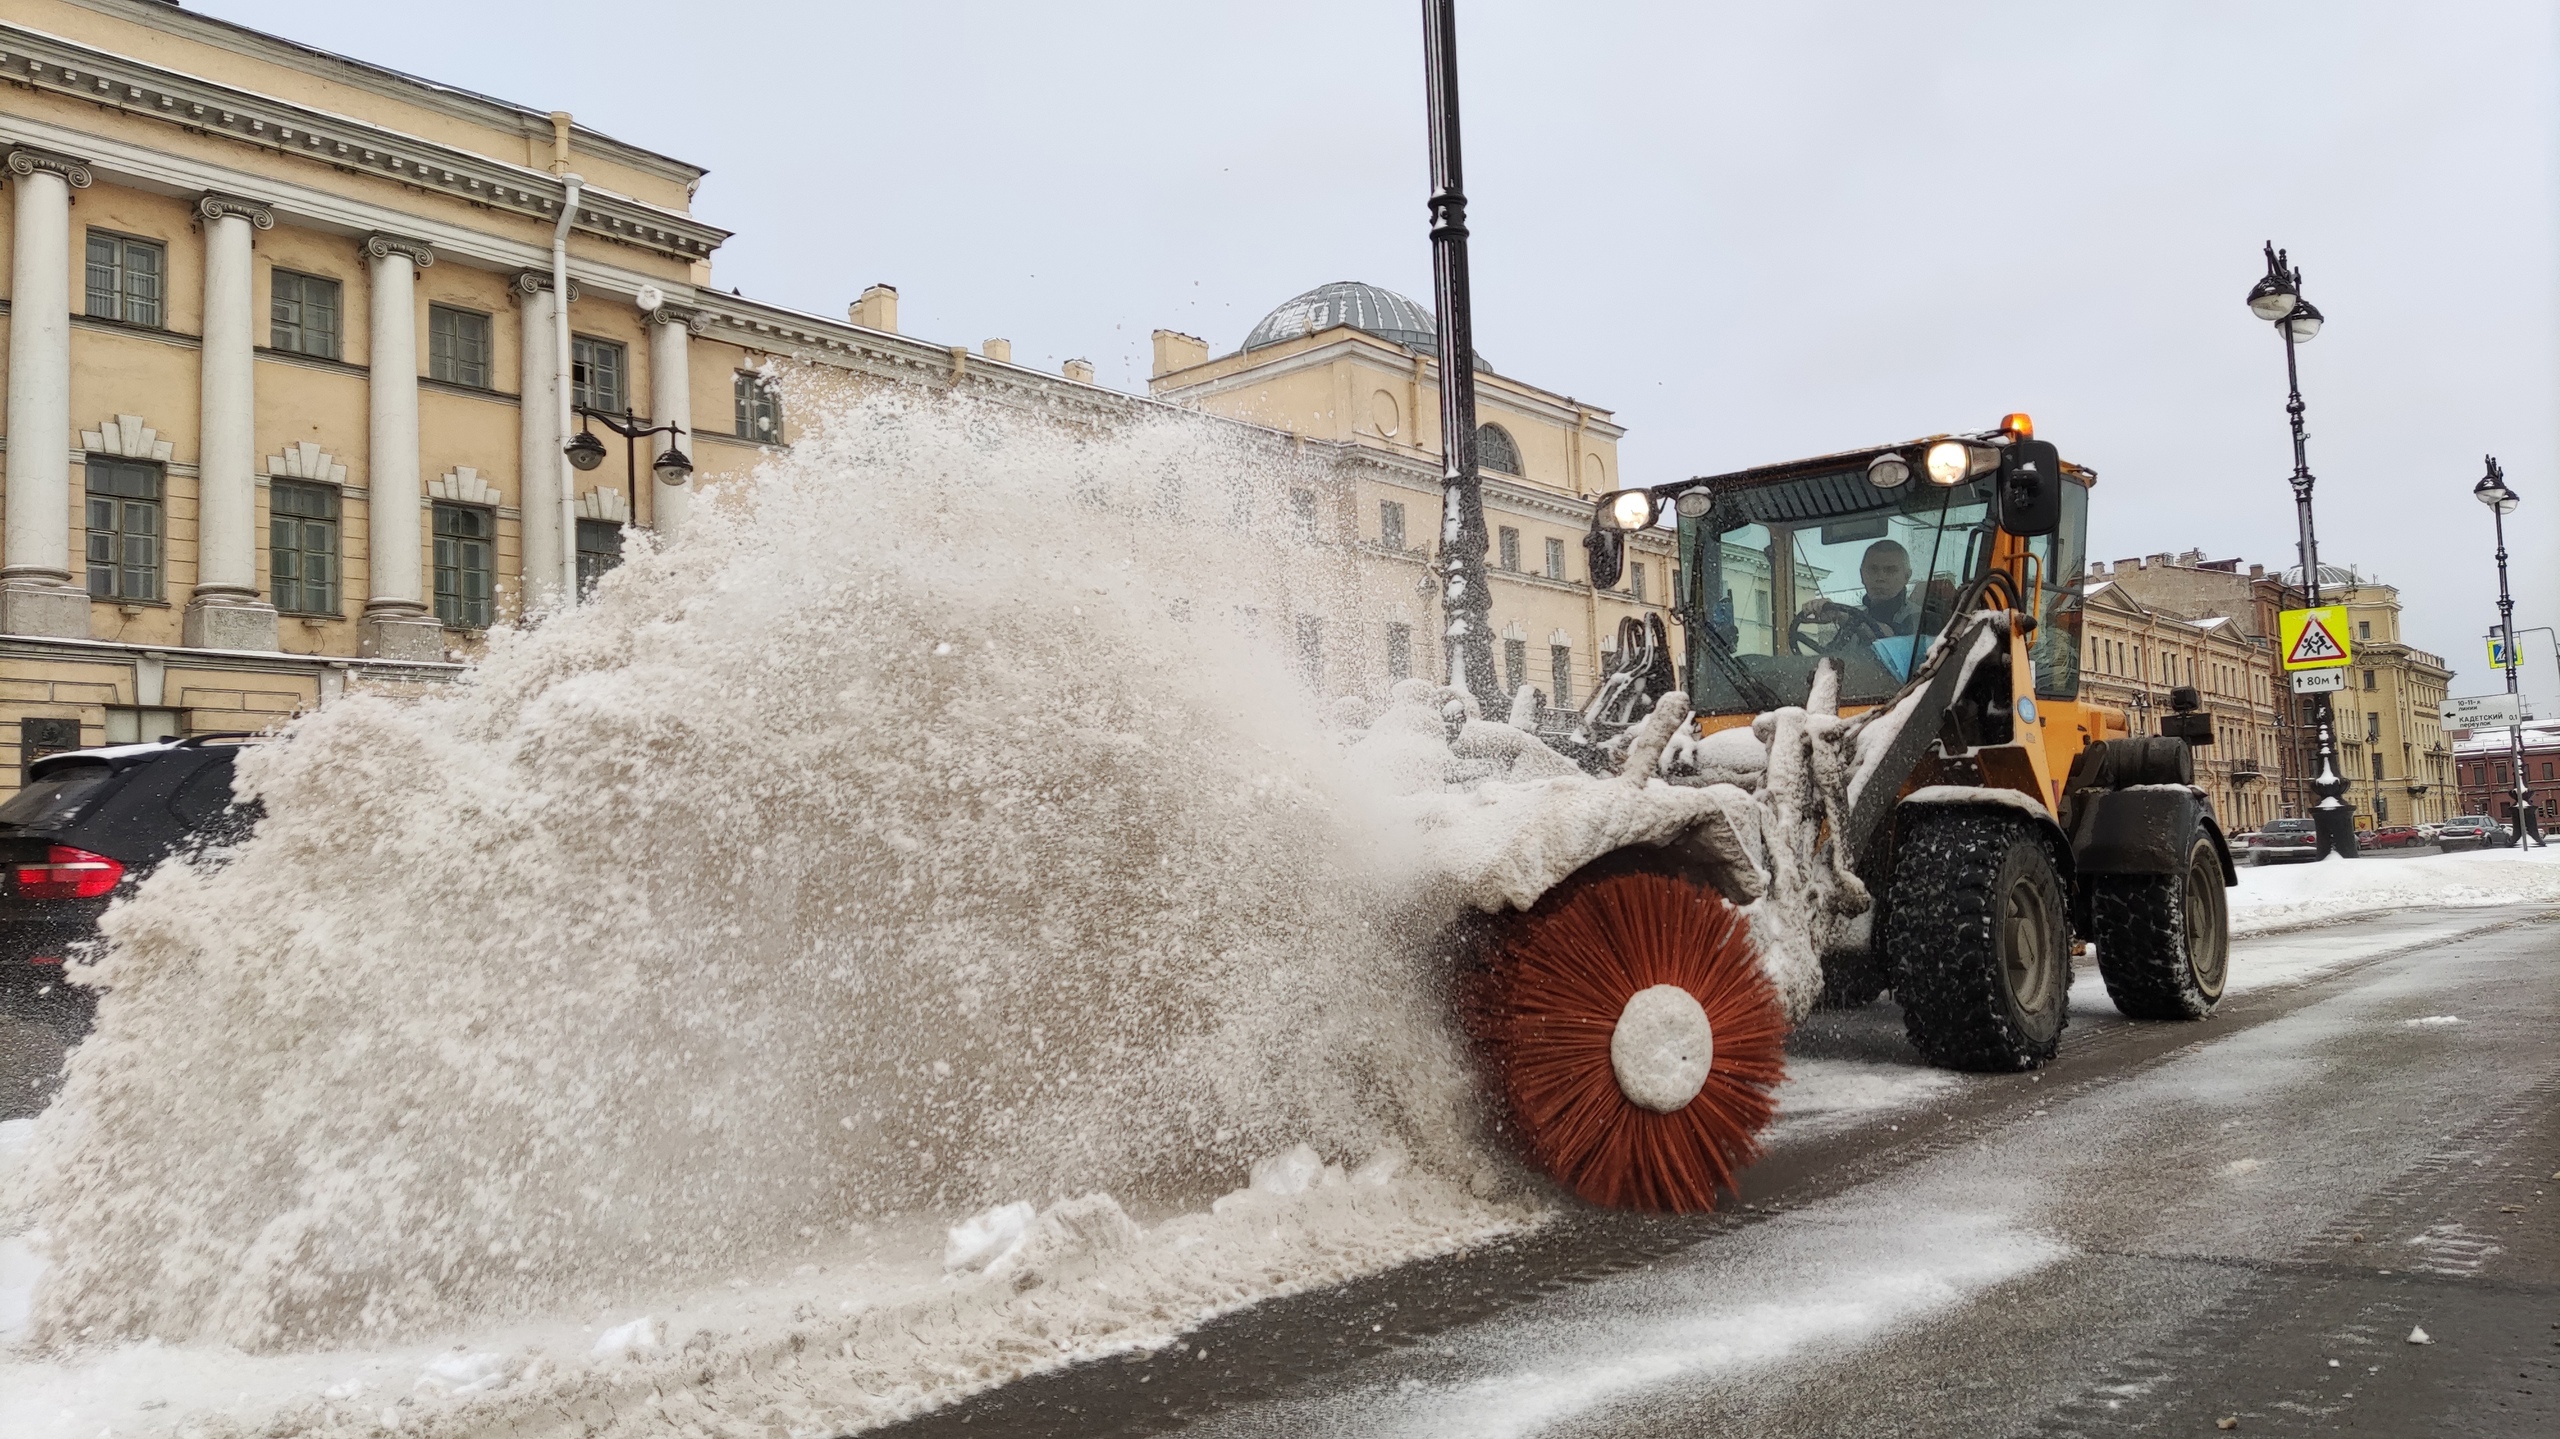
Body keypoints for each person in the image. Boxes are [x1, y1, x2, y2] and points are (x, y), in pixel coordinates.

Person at [1797, 539, 1919, 646]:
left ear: (1907, 576)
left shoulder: (1921, 618)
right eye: (1873, 569)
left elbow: (1894, 645)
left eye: (1890, 570)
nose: (1880, 577)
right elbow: (1834, 656)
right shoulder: (1854, 621)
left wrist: (1843, 616)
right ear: (1862, 575)